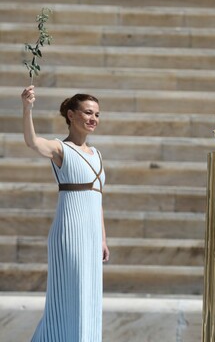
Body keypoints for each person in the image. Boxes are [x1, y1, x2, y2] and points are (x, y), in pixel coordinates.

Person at [21, 85, 108, 342]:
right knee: (69, 296)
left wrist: (102, 238)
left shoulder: (97, 154)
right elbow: (32, 142)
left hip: (92, 236)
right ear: (71, 115)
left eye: (97, 114)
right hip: (70, 233)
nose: (93, 119)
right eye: (88, 113)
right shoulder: (61, 149)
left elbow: (97, 197)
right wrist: (28, 108)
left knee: (89, 296)